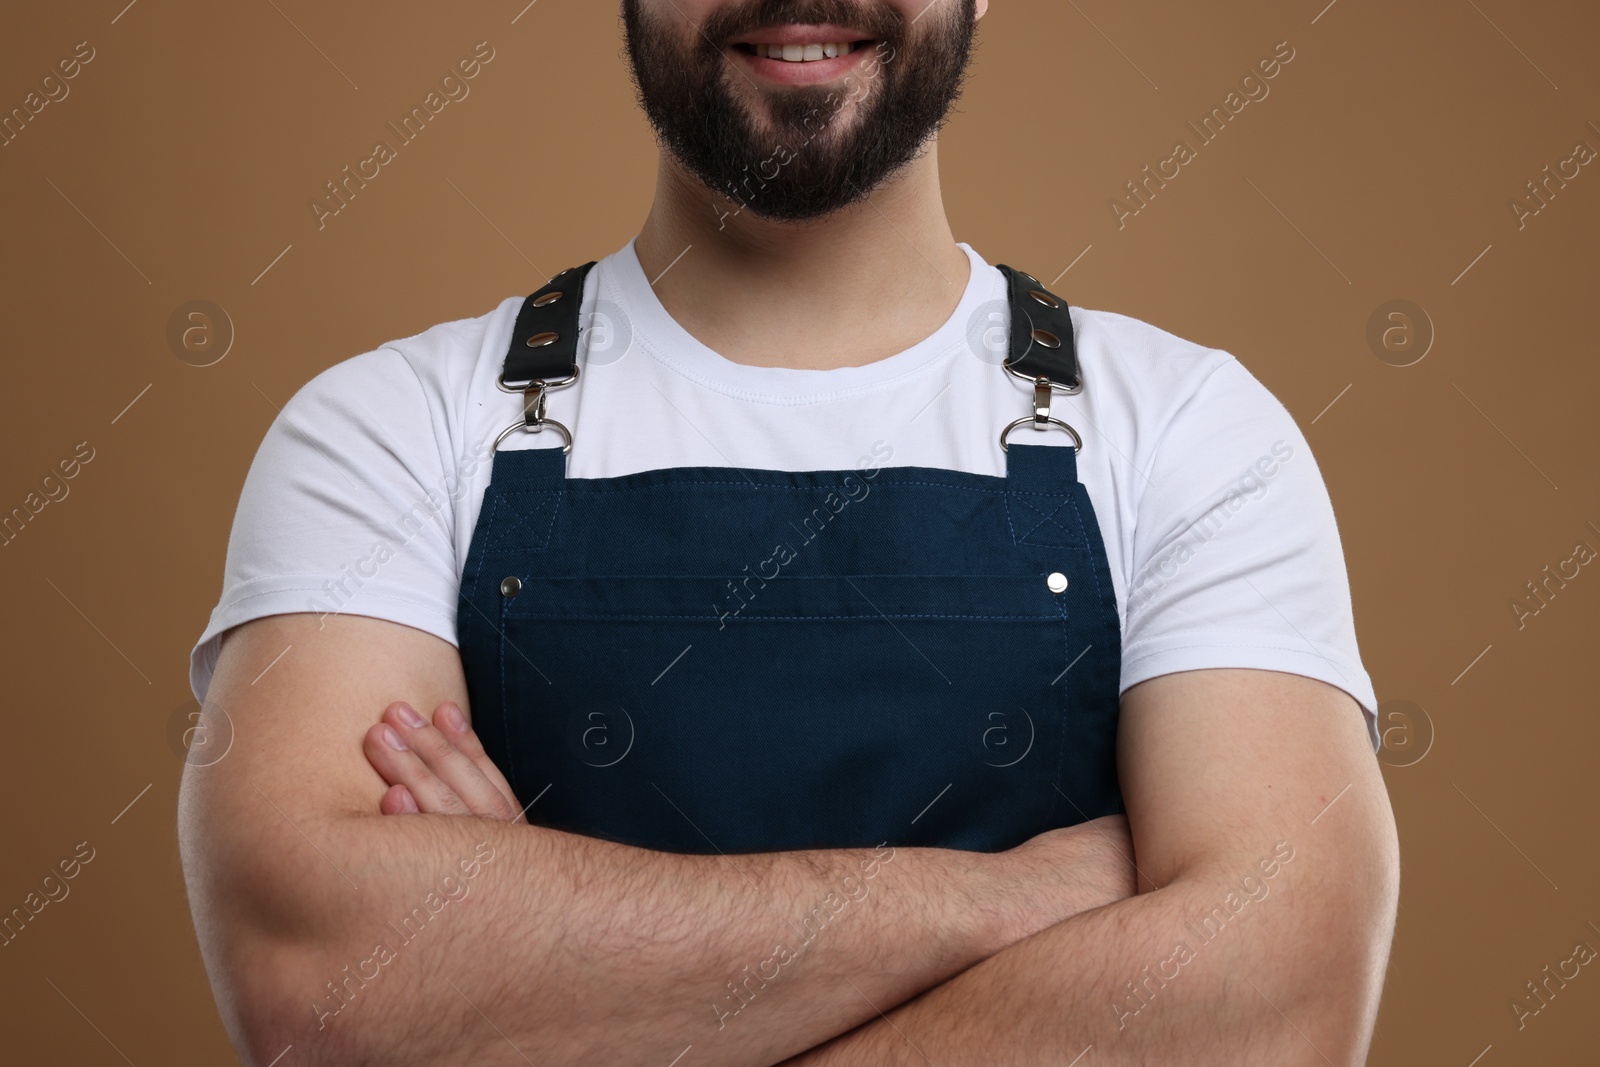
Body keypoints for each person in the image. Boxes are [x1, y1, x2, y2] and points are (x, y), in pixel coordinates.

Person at [178, 1, 1399, 1064]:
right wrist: (1021, 898)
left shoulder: (1191, 431)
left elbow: (1273, 1010)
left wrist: (546, 979)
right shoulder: (385, 431)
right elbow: (324, 987)